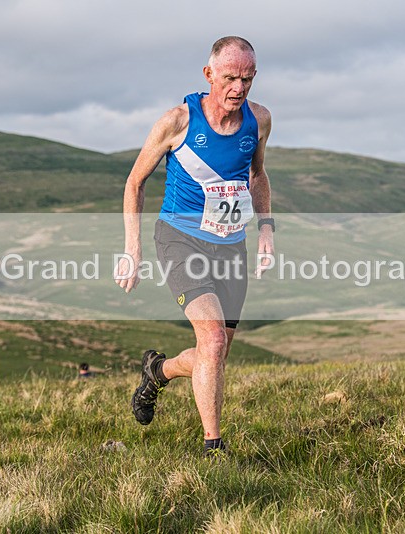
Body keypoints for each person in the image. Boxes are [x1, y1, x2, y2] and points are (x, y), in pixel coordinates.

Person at [116, 36, 274, 457]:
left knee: (213, 353)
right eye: (229, 78)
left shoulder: (258, 121)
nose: (238, 88)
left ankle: (158, 371)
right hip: (179, 239)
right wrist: (133, 250)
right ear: (209, 75)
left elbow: (257, 176)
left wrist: (266, 230)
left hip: (230, 246)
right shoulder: (177, 122)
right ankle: (213, 448)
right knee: (213, 342)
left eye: (247, 79)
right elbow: (135, 182)